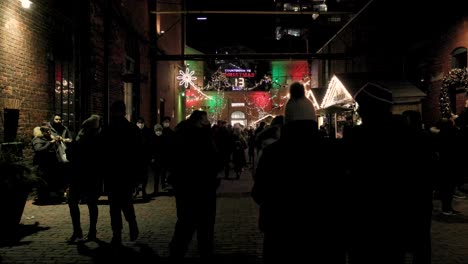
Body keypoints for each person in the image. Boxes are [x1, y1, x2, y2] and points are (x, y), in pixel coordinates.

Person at [252, 81, 345, 263]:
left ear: (287, 123)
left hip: (281, 232)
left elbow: (259, 193)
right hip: (324, 233)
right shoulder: (331, 151)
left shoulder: (273, 153)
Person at [168, 110, 222, 261]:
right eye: (206, 119)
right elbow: (214, 159)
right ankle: (204, 252)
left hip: (183, 184)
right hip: (203, 184)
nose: (208, 121)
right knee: (204, 222)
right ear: (200, 120)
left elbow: (172, 158)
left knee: (185, 219)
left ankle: (177, 250)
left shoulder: (179, 133)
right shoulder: (203, 136)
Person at [101, 100, 142, 246]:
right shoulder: (131, 128)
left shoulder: (107, 128)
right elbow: (138, 154)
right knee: (125, 202)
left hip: (113, 172)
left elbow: (102, 152)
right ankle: (131, 225)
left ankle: (117, 233)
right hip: (125, 173)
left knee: (115, 206)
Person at [66, 114, 103, 243]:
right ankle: (89, 231)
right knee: (90, 203)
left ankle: (80, 231)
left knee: (76, 202)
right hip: (87, 176)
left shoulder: (84, 139)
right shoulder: (94, 139)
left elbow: (71, 156)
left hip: (82, 175)